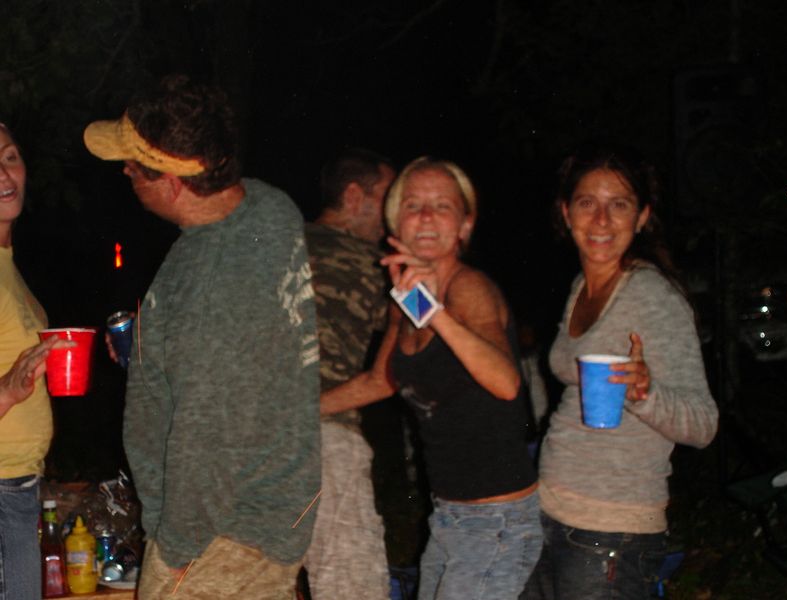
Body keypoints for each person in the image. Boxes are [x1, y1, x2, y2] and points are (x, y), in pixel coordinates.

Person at [83, 75, 320, 600]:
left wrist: (177, 548)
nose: (125, 170)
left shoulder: (212, 283)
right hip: (272, 505)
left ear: (171, 182)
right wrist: (152, 350)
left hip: (221, 535)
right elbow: (239, 353)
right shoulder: (266, 208)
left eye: (133, 163)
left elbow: (209, 430)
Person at [322, 156, 541, 600]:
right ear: (395, 223)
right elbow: (381, 380)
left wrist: (434, 312)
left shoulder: (468, 288)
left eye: (442, 206)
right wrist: (298, 412)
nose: (425, 216)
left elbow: (506, 383)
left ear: (464, 225)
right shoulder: (406, 299)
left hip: (495, 521)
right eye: (413, 205)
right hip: (448, 516)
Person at [519, 143, 719, 600]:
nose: (602, 220)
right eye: (587, 202)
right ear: (566, 212)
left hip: (611, 530)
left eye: (620, 204)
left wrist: (645, 393)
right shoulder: (580, 286)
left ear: (642, 216)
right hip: (549, 511)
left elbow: (704, 424)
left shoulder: (650, 294)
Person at [302, 147, 396, 599]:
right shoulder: (373, 262)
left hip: (251, 440)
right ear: (355, 196)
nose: (393, 217)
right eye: (388, 200)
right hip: (327, 439)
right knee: (351, 587)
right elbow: (419, 334)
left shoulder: (274, 243)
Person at [0, 121, 69, 600]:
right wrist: (7, 390)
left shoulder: (8, 264)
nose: (4, 175)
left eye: (9, 157)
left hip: (19, 488)